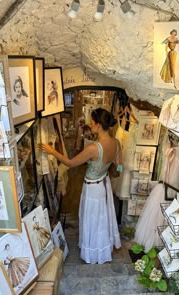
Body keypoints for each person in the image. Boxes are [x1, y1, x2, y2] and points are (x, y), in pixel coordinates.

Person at [40, 108, 122, 264]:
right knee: (101, 219)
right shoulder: (116, 144)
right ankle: (100, 248)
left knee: (92, 218)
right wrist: (114, 173)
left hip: (92, 188)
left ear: (98, 125)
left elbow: (70, 163)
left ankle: (92, 251)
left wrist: (52, 151)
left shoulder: (93, 148)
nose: (90, 125)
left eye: (91, 123)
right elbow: (120, 166)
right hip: (104, 185)